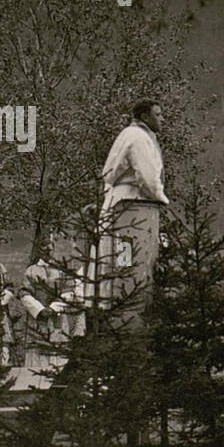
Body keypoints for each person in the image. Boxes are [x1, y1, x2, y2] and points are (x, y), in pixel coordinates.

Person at [98, 99, 170, 326]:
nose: (162, 119)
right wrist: (161, 198)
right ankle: (129, 319)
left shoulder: (134, 135)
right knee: (127, 264)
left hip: (129, 207)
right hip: (131, 208)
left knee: (125, 263)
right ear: (145, 117)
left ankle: (127, 316)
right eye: (158, 115)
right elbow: (147, 177)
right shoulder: (137, 137)